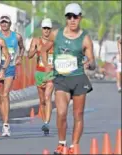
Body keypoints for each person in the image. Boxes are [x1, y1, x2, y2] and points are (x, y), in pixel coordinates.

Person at [40, 3, 95, 154]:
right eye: (69, 17)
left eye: (75, 17)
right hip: (61, 79)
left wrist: (89, 63)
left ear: (80, 18)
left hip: (78, 79)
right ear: (66, 18)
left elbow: (92, 61)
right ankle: (61, 143)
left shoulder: (85, 39)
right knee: (61, 113)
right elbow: (43, 50)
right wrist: (47, 66)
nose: (72, 20)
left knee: (78, 114)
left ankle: (73, 146)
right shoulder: (56, 34)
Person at [0, 14, 25, 137]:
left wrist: (19, 57)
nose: (4, 24)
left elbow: (22, 48)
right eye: (2, 22)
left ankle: (6, 124)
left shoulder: (16, 36)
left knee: (5, 94)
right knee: (0, 97)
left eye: (6, 22)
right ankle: (0, 121)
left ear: (10, 24)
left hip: (10, 67)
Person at [28, 18, 54, 135]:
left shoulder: (55, 42)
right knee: (42, 100)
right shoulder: (36, 40)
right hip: (39, 73)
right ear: (41, 29)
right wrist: (35, 50)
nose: (46, 31)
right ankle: (44, 121)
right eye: (45, 28)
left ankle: (47, 123)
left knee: (48, 97)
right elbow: (29, 55)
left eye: (48, 28)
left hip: (51, 73)